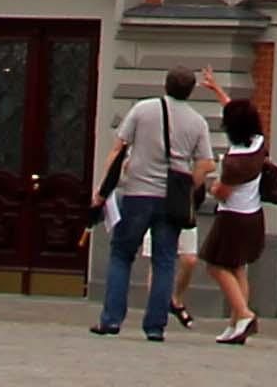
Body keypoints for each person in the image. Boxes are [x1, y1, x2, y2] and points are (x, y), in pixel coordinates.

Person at [92, 67, 214, 339]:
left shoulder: (142, 109)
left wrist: (102, 189)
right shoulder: (197, 121)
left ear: (166, 85)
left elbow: (118, 148)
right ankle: (155, 326)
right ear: (191, 90)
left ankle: (111, 319)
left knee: (122, 255)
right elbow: (206, 164)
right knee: (165, 261)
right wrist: (189, 184)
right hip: (171, 201)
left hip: (137, 193)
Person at [194, 88, 271, 345]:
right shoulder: (258, 142)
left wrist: (213, 187)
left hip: (232, 218)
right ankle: (236, 324)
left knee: (215, 266)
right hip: (253, 215)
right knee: (237, 267)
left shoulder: (234, 162)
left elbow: (222, 193)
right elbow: (237, 111)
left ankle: (245, 314)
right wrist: (217, 89)